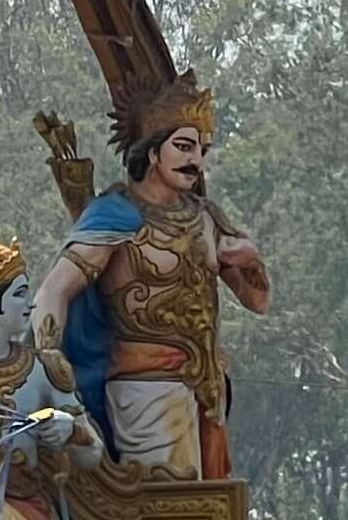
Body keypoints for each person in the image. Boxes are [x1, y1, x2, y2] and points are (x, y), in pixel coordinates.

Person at [30, 75, 268, 481]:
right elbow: (54, 290)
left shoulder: (206, 217)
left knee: (213, 508)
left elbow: (258, 301)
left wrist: (251, 261)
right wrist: (49, 365)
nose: (197, 160)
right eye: (184, 146)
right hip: (146, 391)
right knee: (173, 506)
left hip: (207, 394)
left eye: (203, 149)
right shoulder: (116, 215)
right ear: (152, 152)